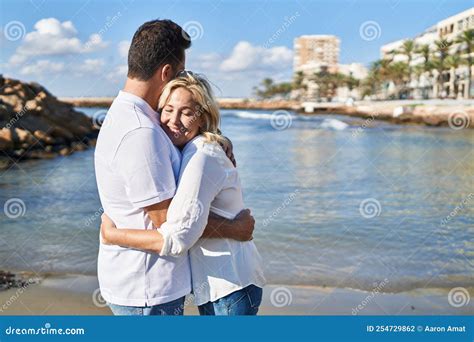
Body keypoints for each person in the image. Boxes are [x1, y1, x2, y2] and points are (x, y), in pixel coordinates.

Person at [94, 20, 255, 316]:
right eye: (179, 73)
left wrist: (215, 138)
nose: (173, 116)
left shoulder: (133, 116)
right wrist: (235, 228)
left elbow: (185, 132)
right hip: (147, 288)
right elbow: (173, 224)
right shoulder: (140, 131)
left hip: (141, 283)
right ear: (166, 72)